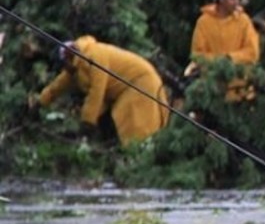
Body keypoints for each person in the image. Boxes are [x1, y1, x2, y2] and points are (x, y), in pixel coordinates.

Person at [37, 35, 170, 146]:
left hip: (141, 83)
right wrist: (39, 102)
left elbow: (97, 92)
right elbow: (57, 87)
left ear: (68, 58)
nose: (64, 69)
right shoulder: (74, 68)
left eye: (63, 65)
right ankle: (111, 148)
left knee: (129, 123)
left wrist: (87, 122)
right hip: (126, 88)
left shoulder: (95, 56)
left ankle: (131, 154)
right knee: (108, 119)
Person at [189, 0, 260, 101]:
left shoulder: (244, 21)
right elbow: (197, 55)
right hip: (213, 89)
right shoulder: (204, 22)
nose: (237, 2)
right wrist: (218, 63)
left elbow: (252, 52)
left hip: (240, 90)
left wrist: (230, 58)